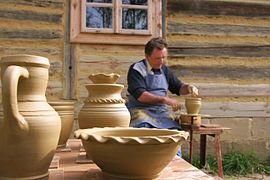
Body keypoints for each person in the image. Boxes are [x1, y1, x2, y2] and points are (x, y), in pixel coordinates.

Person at [126, 37, 198, 156]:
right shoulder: (137, 69)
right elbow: (140, 95)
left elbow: (178, 87)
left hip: (161, 112)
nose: (161, 61)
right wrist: (164, 99)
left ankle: (175, 162)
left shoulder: (164, 69)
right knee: (145, 133)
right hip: (140, 110)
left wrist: (189, 87)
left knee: (173, 136)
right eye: (157, 58)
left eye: (164, 57)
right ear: (147, 56)